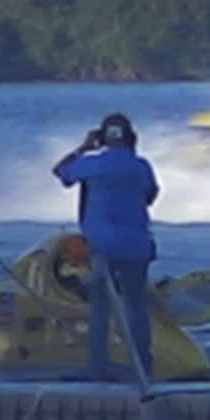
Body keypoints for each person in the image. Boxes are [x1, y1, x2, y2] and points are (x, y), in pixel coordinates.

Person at [52, 114, 160, 380]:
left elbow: (61, 172)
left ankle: (99, 365)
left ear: (101, 137)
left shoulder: (91, 163)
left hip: (102, 246)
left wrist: (84, 148)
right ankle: (141, 366)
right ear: (131, 137)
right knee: (136, 306)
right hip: (136, 246)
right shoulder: (141, 166)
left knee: (100, 306)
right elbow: (150, 195)